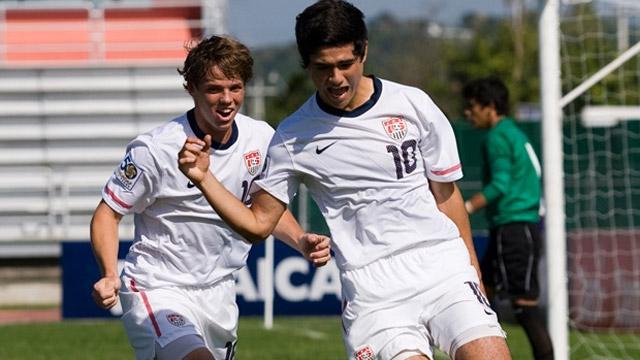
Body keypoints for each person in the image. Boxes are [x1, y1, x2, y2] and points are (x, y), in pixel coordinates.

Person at [179, 1, 511, 359]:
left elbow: (446, 196)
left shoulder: (413, 104)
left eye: (344, 65)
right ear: (307, 64)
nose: (335, 79)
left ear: (363, 51)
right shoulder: (293, 137)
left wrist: (473, 273)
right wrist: (204, 178)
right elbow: (258, 225)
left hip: (442, 266)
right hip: (374, 290)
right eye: (322, 68)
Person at [90, 35, 331, 360]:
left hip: (219, 292)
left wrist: (300, 239)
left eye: (235, 87)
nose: (227, 99)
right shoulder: (156, 149)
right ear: (191, 88)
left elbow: (264, 210)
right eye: (214, 89)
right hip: (158, 287)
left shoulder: (261, 139)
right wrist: (108, 273)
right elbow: (108, 212)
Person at [462, 77, 554, 360]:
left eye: (472, 106)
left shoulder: (497, 136)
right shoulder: (513, 132)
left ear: (490, 107)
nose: (468, 113)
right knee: (480, 293)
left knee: (523, 305)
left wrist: (465, 207)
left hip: (514, 226)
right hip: (517, 225)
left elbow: (500, 184)